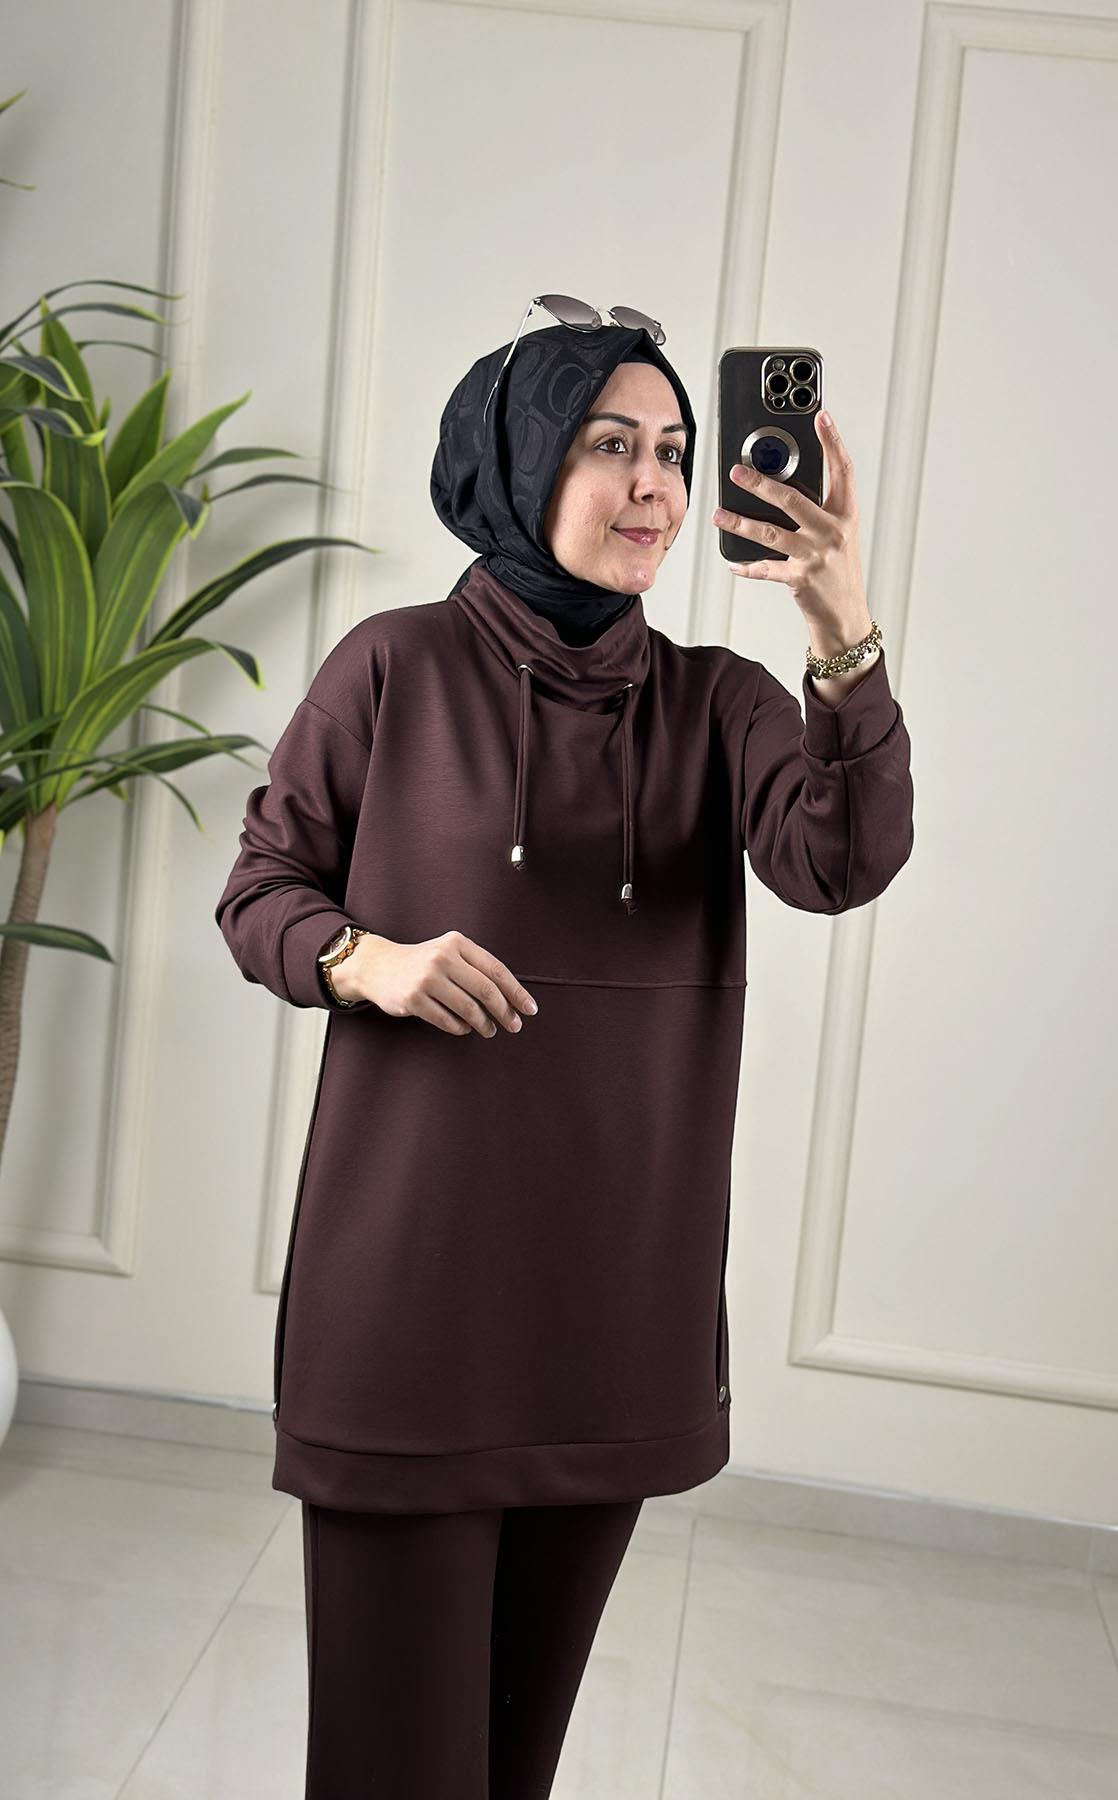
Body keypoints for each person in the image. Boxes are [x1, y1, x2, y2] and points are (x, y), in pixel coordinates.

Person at [214, 318, 914, 1795]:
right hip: (410, 1309)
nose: (654, 485)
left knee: (511, 1768)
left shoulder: (722, 702)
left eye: (675, 452)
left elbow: (843, 861)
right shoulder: (391, 667)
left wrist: (840, 622)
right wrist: (367, 959)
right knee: (395, 1772)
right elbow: (260, 892)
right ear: (521, 458)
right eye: (611, 445)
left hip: (613, 1312)